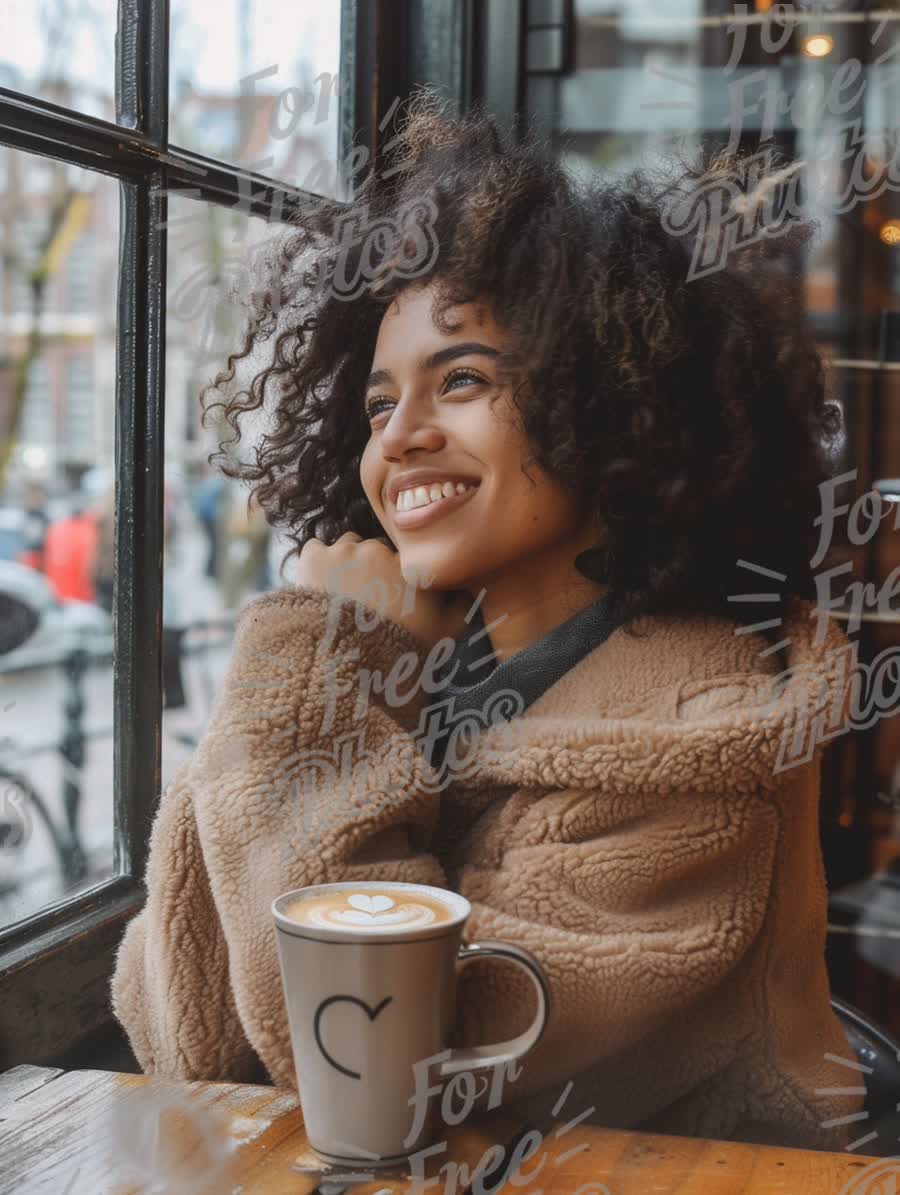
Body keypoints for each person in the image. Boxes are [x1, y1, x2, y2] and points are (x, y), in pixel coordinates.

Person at [110, 90, 864, 1151]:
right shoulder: (396, 667)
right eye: (378, 404)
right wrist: (321, 669)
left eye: (459, 380)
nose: (400, 437)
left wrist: (310, 660)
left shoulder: (702, 727)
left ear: (610, 404)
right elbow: (179, 1026)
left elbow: (379, 1071)